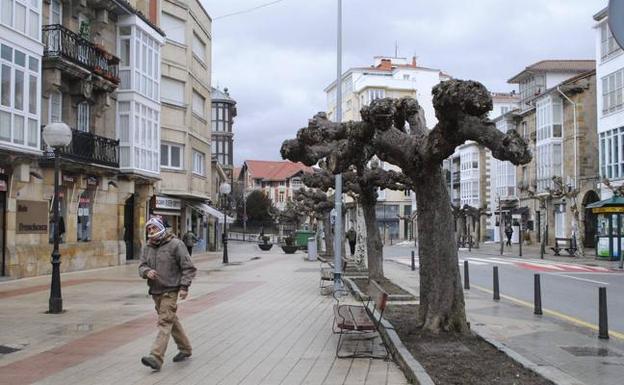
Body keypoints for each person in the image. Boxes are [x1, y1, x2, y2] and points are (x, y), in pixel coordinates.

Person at [138, 216, 197, 371]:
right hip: (155, 291)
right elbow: (141, 266)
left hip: (170, 290)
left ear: (161, 228)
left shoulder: (176, 244)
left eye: (154, 228)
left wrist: (184, 287)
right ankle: (185, 348)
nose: (151, 231)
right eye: (149, 229)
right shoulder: (147, 247)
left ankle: (156, 357)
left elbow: (188, 267)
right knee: (171, 319)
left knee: (164, 322)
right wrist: (146, 272)